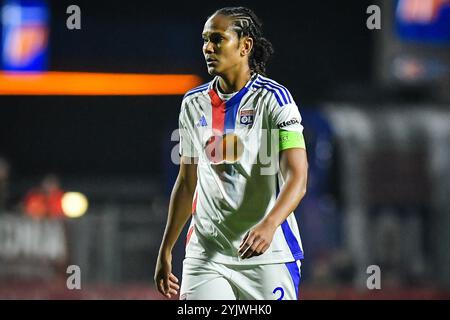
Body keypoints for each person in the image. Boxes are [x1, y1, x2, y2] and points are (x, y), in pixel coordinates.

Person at [154, 6, 308, 300]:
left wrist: (269, 224)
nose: (207, 48)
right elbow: (187, 183)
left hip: (267, 255)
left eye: (217, 39)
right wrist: (166, 249)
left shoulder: (275, 100)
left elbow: (297, 178)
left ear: (245, 46)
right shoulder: (192, 103)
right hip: (206, 256)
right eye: (204, 40)